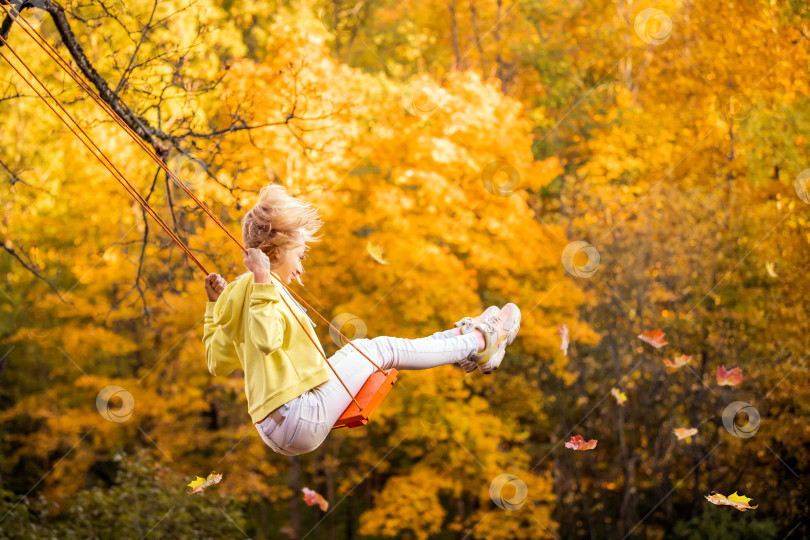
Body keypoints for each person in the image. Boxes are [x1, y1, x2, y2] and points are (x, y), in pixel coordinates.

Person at [202, 184, 521, 456]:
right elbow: (266, 340)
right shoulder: (262, 286)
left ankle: (459, 342)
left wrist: (214, 310)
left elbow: (217, 361)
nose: (300, 268)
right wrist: (260, 279)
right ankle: (479, 342)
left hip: (278, 425)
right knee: (379, 349)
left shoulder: (242, 292)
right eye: (299, 255)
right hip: (297, 417)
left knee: (374, 349)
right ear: (280, 247)